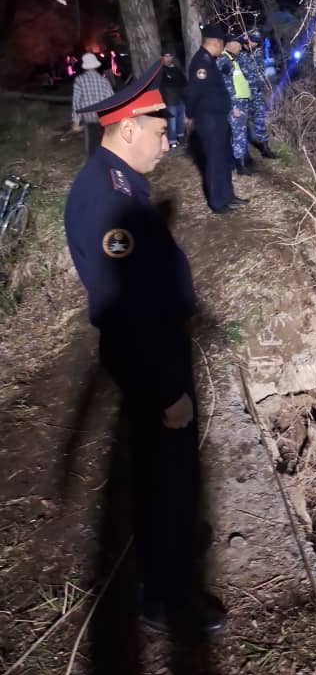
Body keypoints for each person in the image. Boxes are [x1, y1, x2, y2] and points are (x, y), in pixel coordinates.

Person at [64, 61, 226, 638]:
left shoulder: (116, 182)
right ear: (128, 128)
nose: (167, 142)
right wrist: (166, 390)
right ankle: (166, 597)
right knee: (164, 478)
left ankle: (170, 553)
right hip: (151, 363)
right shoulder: (111, 203)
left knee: (167, 473)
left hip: (154, 352)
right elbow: (127, 311)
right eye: (160, 131)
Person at [184, 23, 249, 215]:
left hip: (219, 119)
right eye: (222, 44)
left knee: (224, 159)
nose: (223, 48)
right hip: (209, 120)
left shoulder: (210, 61)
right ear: (216, 43)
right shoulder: (201, 63)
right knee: (214, 161)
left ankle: (228, 196)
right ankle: (217, 202)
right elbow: (193, 92)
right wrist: (189, 114)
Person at [216, 31, 252, 175]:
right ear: (229, 44)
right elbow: (226, 86)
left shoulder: (232, 59)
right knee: (238, 135)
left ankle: (237, 163)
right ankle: (239, 166)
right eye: (238, 44)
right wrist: (234, 107)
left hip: (241, 102)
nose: (240, 47)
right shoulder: (224, 61)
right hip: (236, 104)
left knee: (239, 134)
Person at [238, 31, 277, 159]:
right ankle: (242, 153)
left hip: (256, 92)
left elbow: (260, 70)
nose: (254, 44)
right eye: (252, 41)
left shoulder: (258, 52)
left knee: (260, 119)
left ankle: (265, 148)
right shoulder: (238, 54)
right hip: (242, 94)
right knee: (241, 123)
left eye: (256, 42)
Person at [72, 52, 115, 157]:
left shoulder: (79, 80)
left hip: (88, 116)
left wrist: (76, 122)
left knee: (91, 143)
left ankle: (92, 159)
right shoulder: (104, 81)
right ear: (96, 65)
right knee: (104, 143)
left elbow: (77, 102)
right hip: (103, 116)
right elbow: (111, 99)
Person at [159, 46, 187, 150]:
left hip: (180, 100)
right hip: (169, 101)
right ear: (162, 57)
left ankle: (181, 138)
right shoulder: (160, 71)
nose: (168, 58)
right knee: (171, 122)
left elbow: (184, 83)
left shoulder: (176, 69)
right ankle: (172, 142)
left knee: (180, 121)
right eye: (166, 56)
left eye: (169, 56)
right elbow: (161, 87)